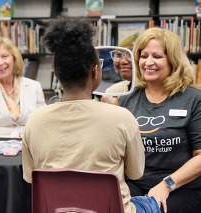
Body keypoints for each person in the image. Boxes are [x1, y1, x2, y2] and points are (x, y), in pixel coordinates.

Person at [22, 15, 160, 213]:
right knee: (153, 203)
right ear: (95, 72)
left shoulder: (35, 120)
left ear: (56, 73)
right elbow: (136, 173)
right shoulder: (121, 117)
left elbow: (30, 177)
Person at [119, 27, 201, 213]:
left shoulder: (193, 99)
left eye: (157, 56)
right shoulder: (126, 98)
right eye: (143, 55)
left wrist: (166, 185)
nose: (148, 62)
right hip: (134, 185)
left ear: (172, 60)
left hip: (181, 187)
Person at [0, 37, 46, 138]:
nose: (0, 63)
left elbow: (42, 123)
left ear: (14, 59)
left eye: (4, 56)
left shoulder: (34, 87)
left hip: (31, 142)